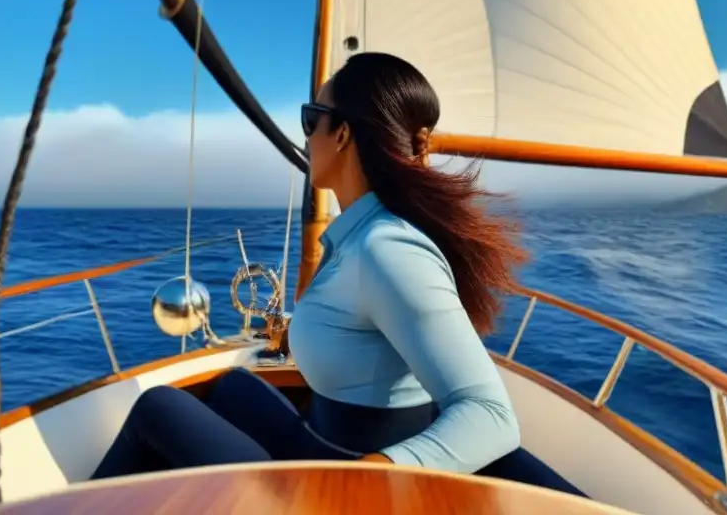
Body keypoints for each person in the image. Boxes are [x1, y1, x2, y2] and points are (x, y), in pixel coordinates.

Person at [91, 52, 582, 495]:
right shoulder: (362, 235)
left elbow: (492, 417)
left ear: (342, 133)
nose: (305, 135)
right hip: (324, 442)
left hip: (341, 482)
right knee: (230, 386)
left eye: (312, 118)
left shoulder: (386, 249)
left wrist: (364, 481)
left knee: (157, 408)